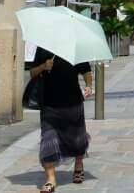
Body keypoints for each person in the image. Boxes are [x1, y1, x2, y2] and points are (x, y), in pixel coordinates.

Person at [31, 47, 94, 190]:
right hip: (49, 104)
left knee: (77, 138)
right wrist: (43, 66)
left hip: (73, 102)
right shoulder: (43, 49)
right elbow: (32, 73)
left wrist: (89, 85)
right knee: (48, 139)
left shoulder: (75, 49)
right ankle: (51, 179)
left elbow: (86, 71)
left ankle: (79, 164)